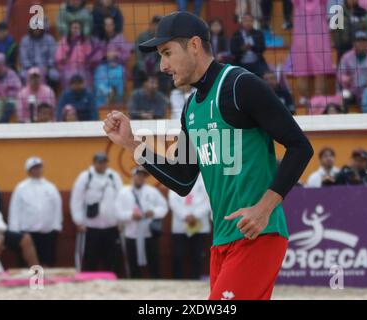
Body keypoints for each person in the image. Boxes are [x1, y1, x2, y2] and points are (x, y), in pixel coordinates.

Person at [103, 12, 313, 300]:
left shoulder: (240, 85)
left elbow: (300, 147)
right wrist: (130, 144)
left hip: (258, 236)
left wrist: (264, 208)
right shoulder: (190, 108)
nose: (162, 66)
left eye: (167, 53)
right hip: (222, 241)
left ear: (193, 45)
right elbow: (183, 178)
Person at [70, 152, 124, 273]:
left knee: (113, 259)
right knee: (90, 259)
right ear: (94, 163)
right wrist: (78, 221)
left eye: (104, 162)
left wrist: (121, 220)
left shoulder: (113, 177)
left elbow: (121, 198)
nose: (102, 165)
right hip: (91, 227)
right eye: (100, 162)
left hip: (112, 226)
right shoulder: (85, 177)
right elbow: (76, 199)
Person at [8, 157, 63, 267]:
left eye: (38, 167)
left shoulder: (50, 187)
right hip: (27, 233)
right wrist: (14, 231)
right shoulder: (21, 188)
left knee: (46, 262)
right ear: (28, 171)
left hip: (47, 232)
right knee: (28, 263)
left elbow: (57, 207)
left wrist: (56, 227)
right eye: (33, 168)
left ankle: (45, 283)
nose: (37, 170)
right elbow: (14, 210)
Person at [116, 166, 168, 279]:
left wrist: (153, 212)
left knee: (154, 263)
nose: (140, 178)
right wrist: (131, 215)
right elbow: (118, 213)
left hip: (149, 233)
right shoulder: (124, 193)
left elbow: (164, 208)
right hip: (131, 234)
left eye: (142, 176)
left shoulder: (152, 191)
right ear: (133, 176)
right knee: (133, 264)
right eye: (138, 175)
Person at [285, 0, 334, 104]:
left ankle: (318, 101)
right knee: (302, 71)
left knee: (320, 71)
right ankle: (307, 101)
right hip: (303, 39)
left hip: (317, 38)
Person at [168, 175, 210, 279]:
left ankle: (195, 280)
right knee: (178, 255)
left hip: (199, 225)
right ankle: (177, 281)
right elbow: (173, 201)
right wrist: (185, 215)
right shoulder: (177, 176)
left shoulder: (205, 178)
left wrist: (196, 215)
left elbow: (209, 200)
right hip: (180, 225)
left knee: (197, 255)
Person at [337, 31, 367, 105]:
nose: (361, 43)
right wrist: (347, 79)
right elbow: (339, 75)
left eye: (363, 41)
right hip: (350, 89)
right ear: (354, 43)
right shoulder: (346, 56)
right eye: (358, 41)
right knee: (343, 96)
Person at [133, 16, 171, 93]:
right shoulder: (141, 36)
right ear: (151, 25)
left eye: (159, 26)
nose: (157, 28)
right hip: (143, 69)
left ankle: (162, 97)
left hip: (158, 69)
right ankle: (138, 96)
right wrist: (145, 69)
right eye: (155, 25)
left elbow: (164, 57)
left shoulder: (163, 39)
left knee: (166, 72)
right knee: (136, 70)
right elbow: (138, 56)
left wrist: (156, 69)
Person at [55, 20, 95, 90]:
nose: (76, 30)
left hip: (83, 68)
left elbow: (90, 56)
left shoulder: (85, 40)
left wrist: (87, 59)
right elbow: (58, 58)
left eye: (78, 28)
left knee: (86, 80)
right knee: (68, 78)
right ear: (70, 29)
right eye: (74, 28)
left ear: (81, 29)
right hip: (68, 68)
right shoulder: (64, 40)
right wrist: (64, 58)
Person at [19, 22, 59, 88]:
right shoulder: (25, 40)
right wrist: (31, 69)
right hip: (29, 68)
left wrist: (48, 67)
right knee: (22, 75)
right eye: (34, 28)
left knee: (55, 76)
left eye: (38, 28)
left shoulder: (50, 39)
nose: (36, 30)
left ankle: (50, 94)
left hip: (47, 68)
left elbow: (53, 56)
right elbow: (24, 59)